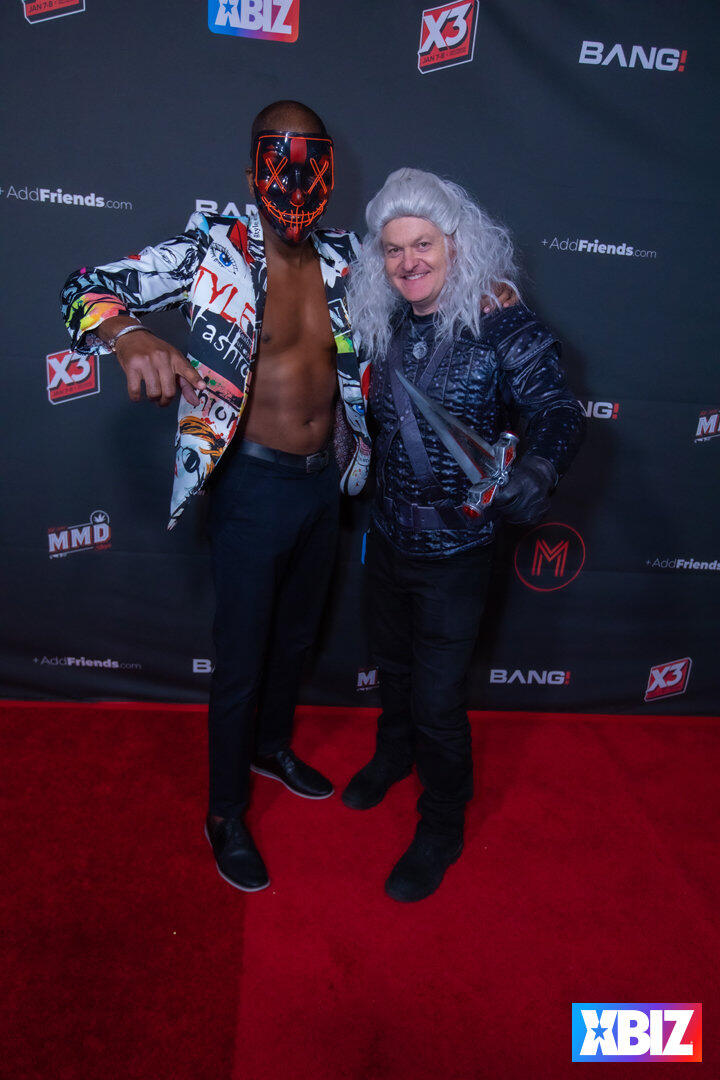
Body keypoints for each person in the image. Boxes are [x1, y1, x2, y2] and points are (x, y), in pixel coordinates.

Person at [60, 101, 373, 893]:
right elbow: (84, 286)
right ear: (250, 173)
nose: (295, 187)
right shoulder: (212, 250)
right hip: (250, 483)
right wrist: (129, 335)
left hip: (323, 484)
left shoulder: (349, 259)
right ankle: (226, 813)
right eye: (279, 168)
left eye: (310, 170)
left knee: (295, 641)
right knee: (240, 658)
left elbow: (422, 283)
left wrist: (485, 290)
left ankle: (271, 749)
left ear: (328, 174)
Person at [343, 168, 585, 902]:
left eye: (423, 244)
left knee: (439, 699)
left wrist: (540, 466)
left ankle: (443, 823)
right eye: (393, 249)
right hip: (386, 537)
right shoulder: (380, 321)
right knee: (392, 670)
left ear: (456, 244)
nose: (408, 261)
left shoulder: (499, 319)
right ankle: (393, 755)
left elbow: (558, 410)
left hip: (457, 555)